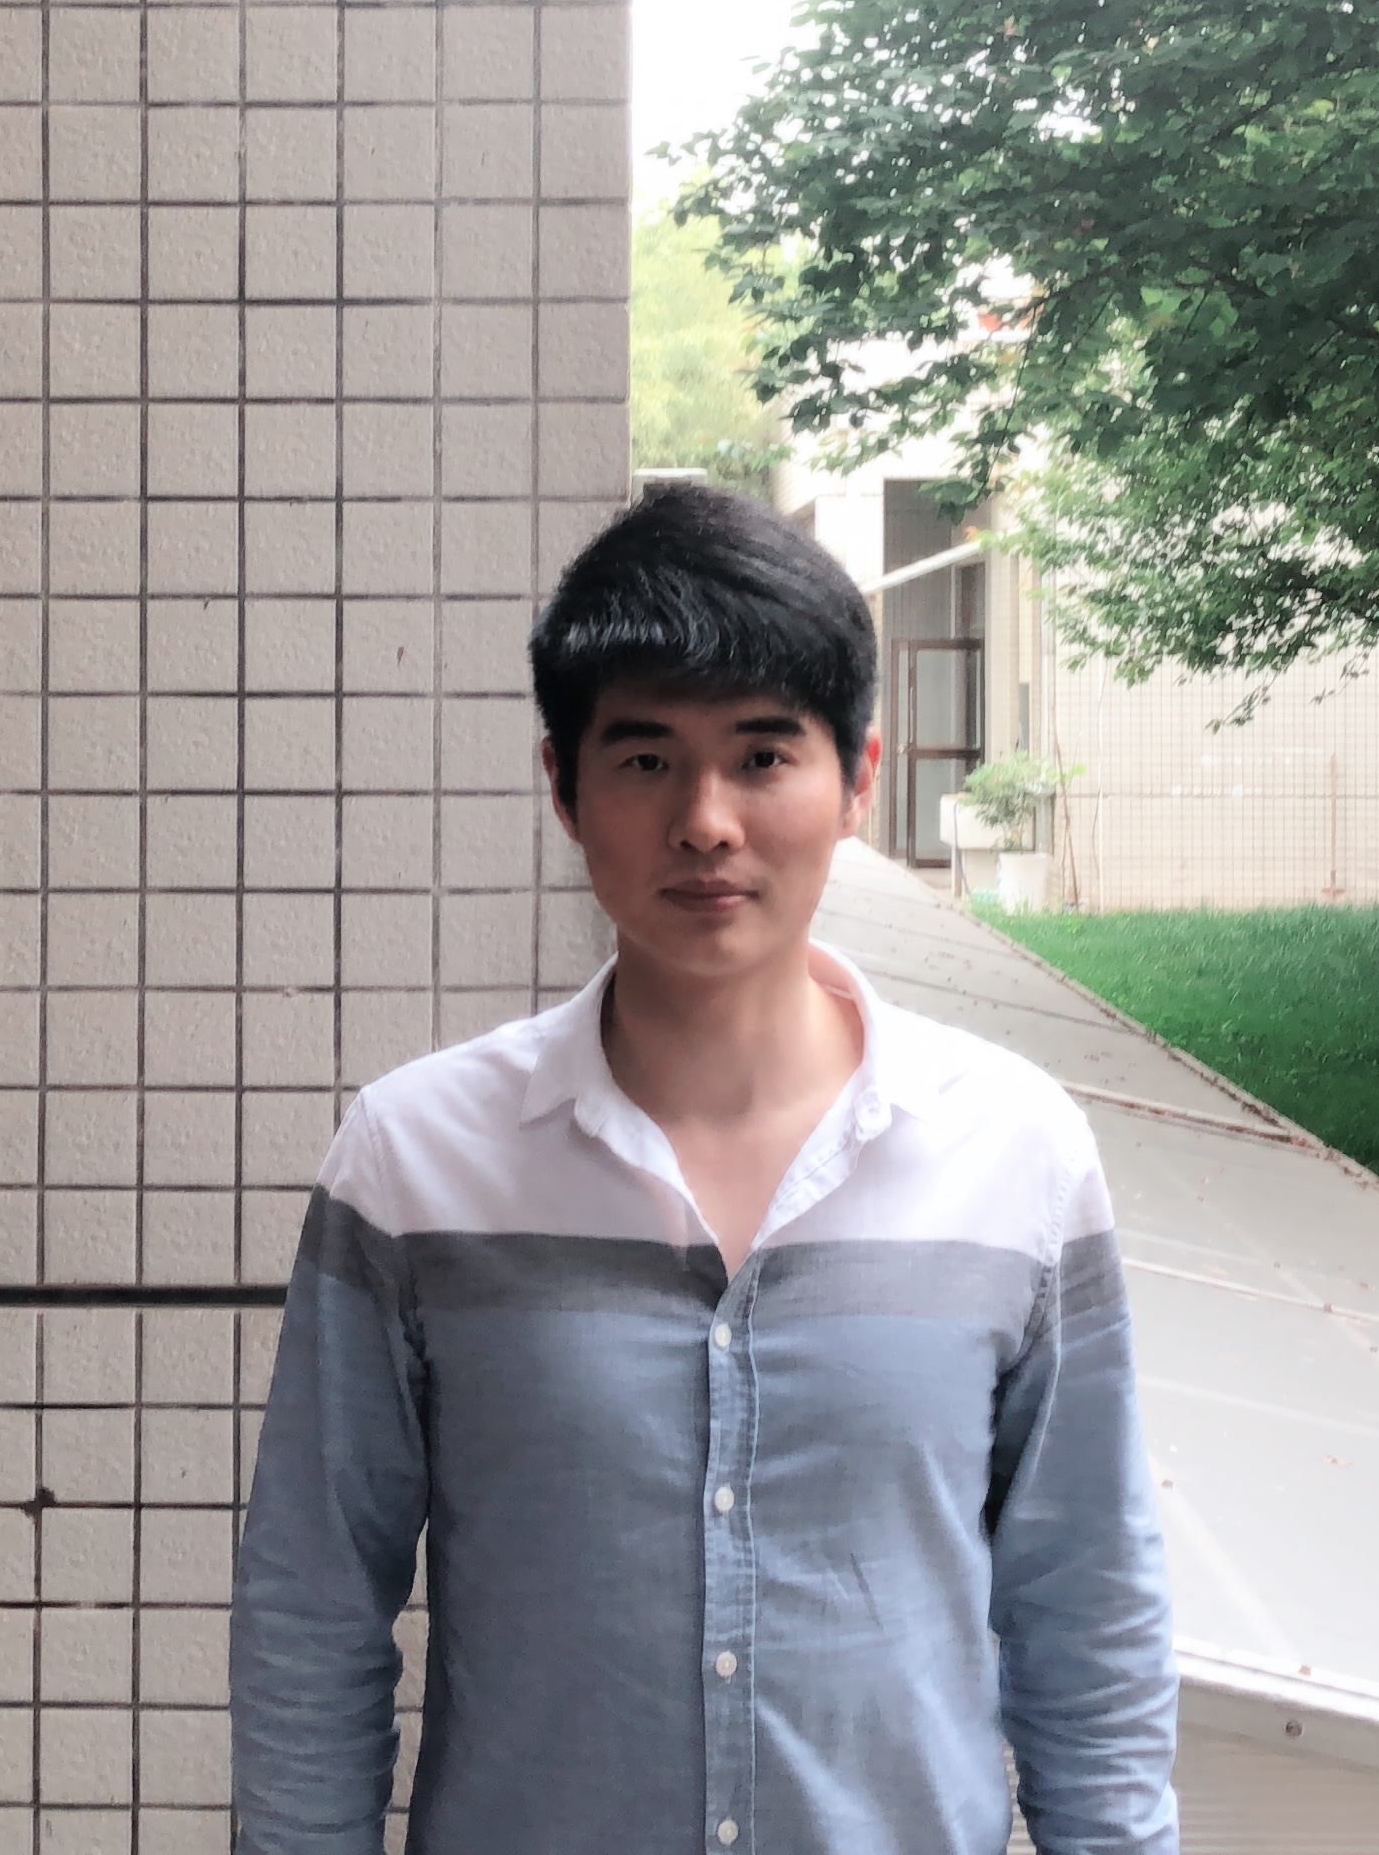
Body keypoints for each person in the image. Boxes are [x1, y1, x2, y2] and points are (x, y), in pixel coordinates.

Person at [230, 483, 1180, 1854]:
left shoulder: (1014, 1153)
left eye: (763, 753)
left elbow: (1086, 1601)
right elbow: (313, 1607)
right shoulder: (416, 1160)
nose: (706, 820)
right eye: (645, 758)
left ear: (858, 777)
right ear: (563, 787)